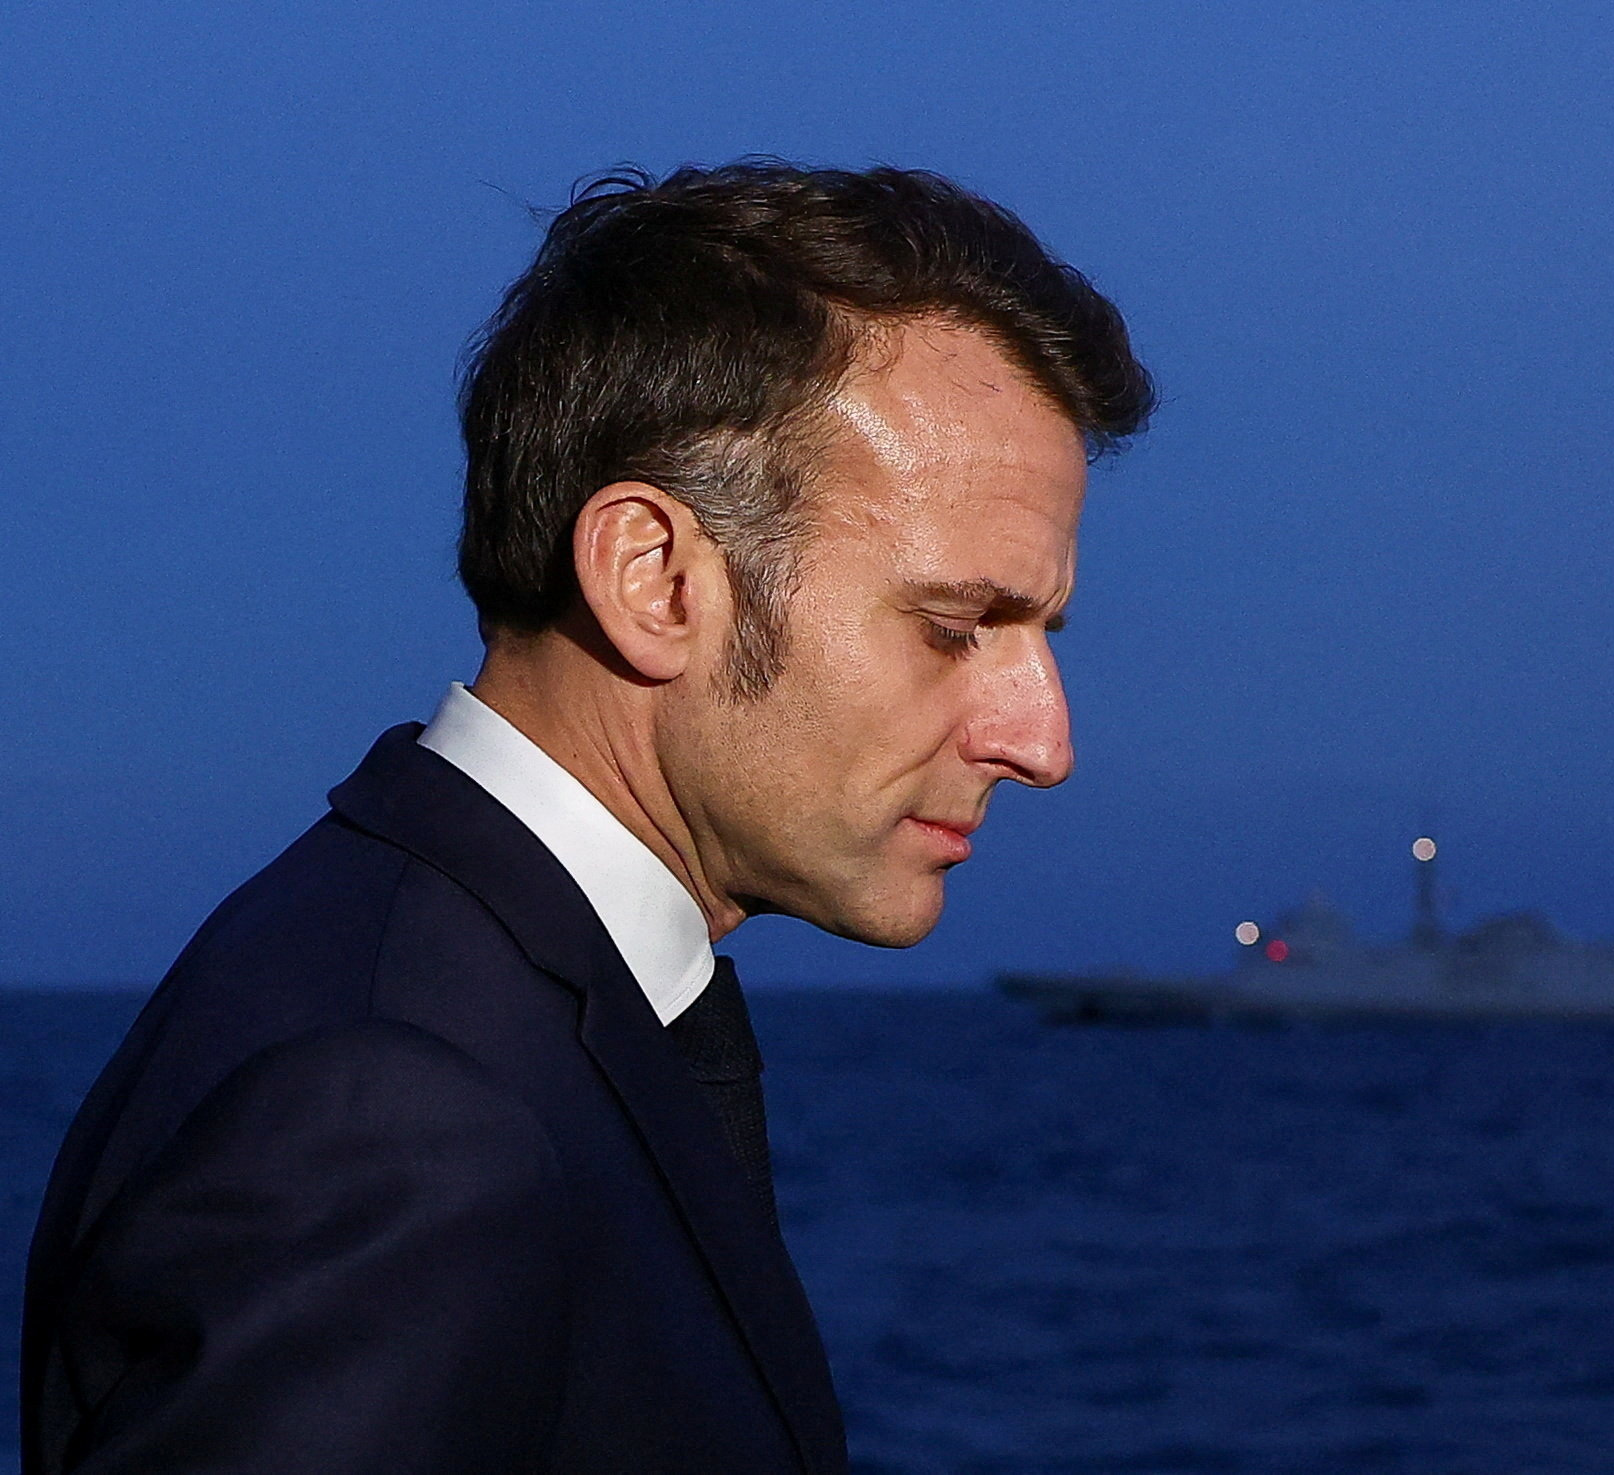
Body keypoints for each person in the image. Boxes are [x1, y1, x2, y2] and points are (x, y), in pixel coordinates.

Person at [20, 161, 1153, 1474]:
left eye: (1039, 636)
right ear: (656, 580)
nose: (1041, 742)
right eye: (954, 627)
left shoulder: (429, 989)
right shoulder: (398, 1113)